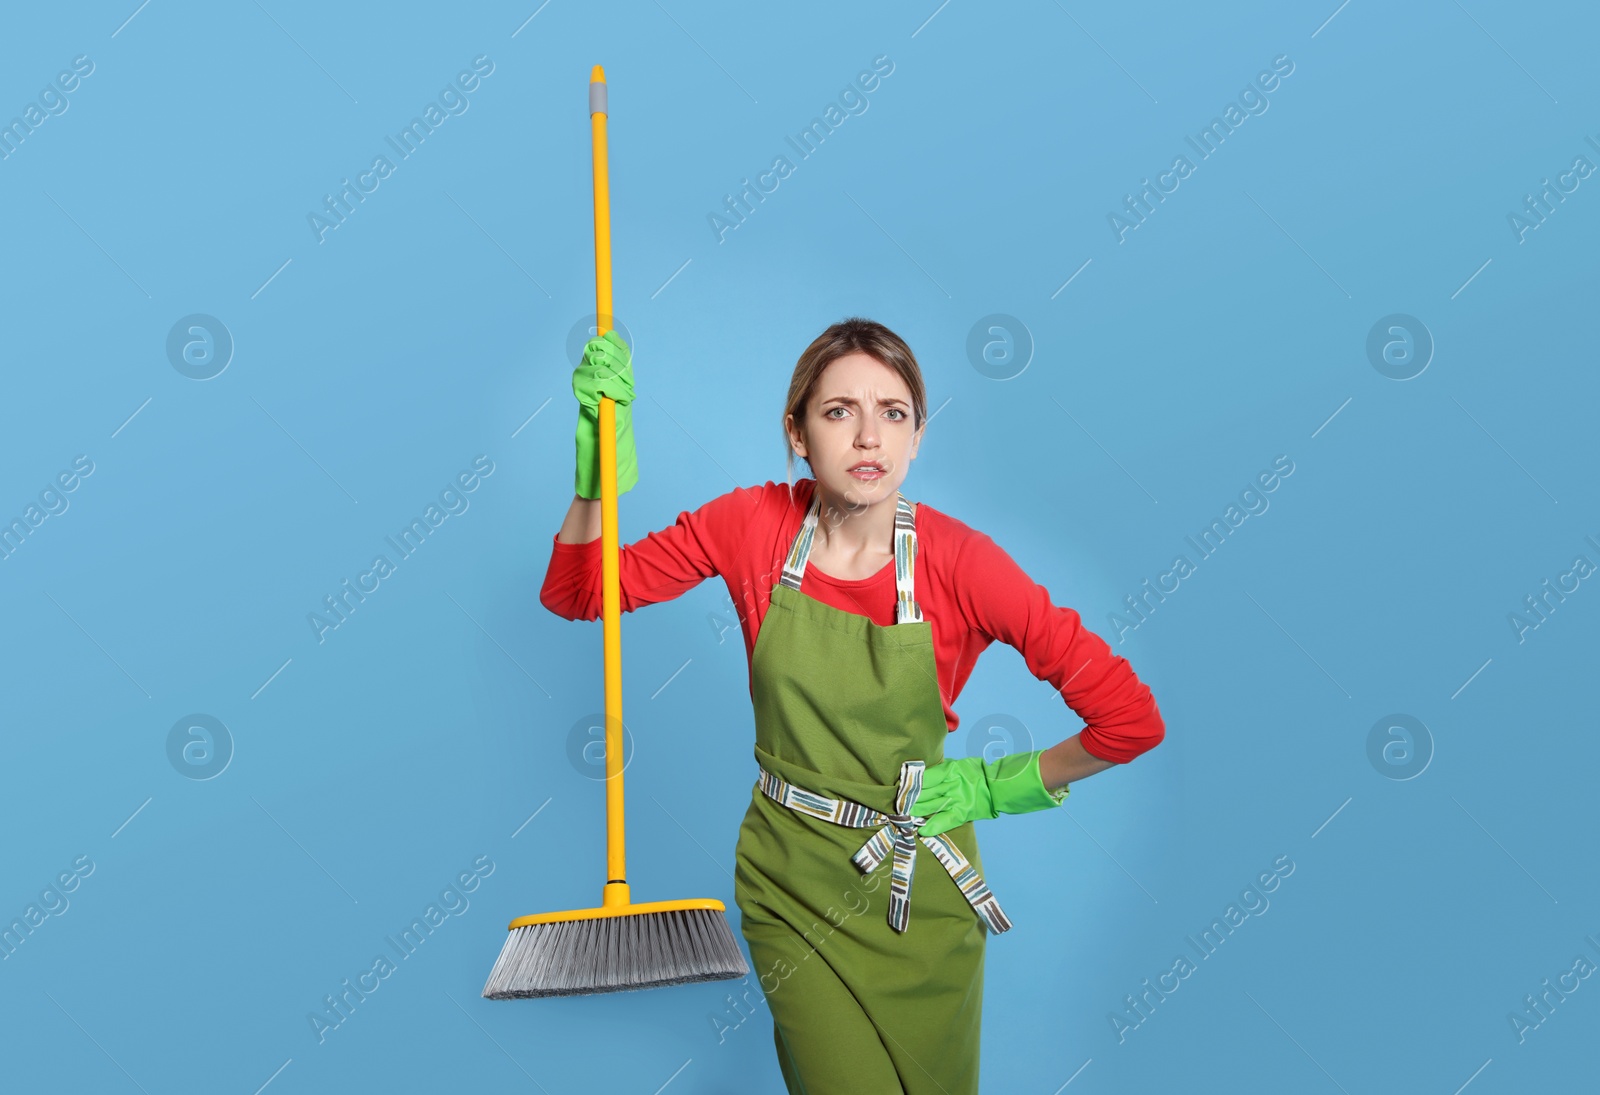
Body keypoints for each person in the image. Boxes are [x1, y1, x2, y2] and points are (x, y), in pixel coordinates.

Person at [541, 317, 1165, 1094]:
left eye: (892, 413)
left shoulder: (961, 562)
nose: (868, 436)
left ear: (917, 436)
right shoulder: (750, 526)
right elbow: (577, 592)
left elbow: (1130, 720)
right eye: (839, 411)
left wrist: (990, 787)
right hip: (789, 880)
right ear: (797, 432)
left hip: (920, 902)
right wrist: (594, 475)